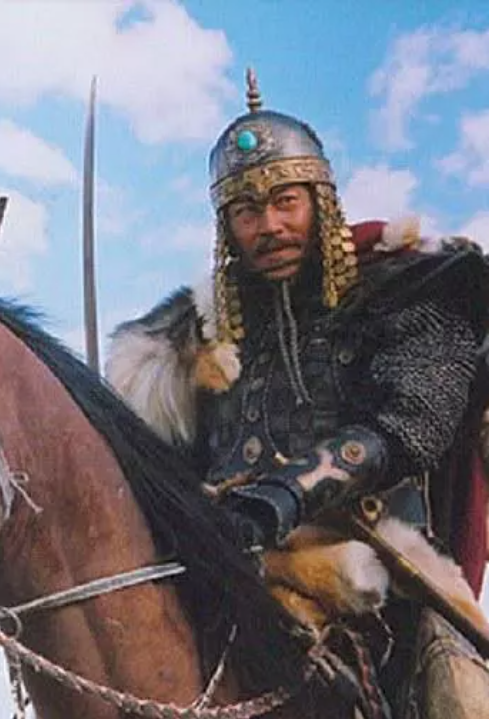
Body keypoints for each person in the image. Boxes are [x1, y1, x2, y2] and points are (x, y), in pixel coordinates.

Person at [106, 70, 489, 717]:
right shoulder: (185, 346)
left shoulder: (408, 287)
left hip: (384, 572)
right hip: (233, 580)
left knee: (463, 700)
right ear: (226, 226)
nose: (270, 225)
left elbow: (410, 422)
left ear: (320, 199)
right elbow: (158, 475)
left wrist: (287, 491)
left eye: (286, 201)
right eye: (247, 211)